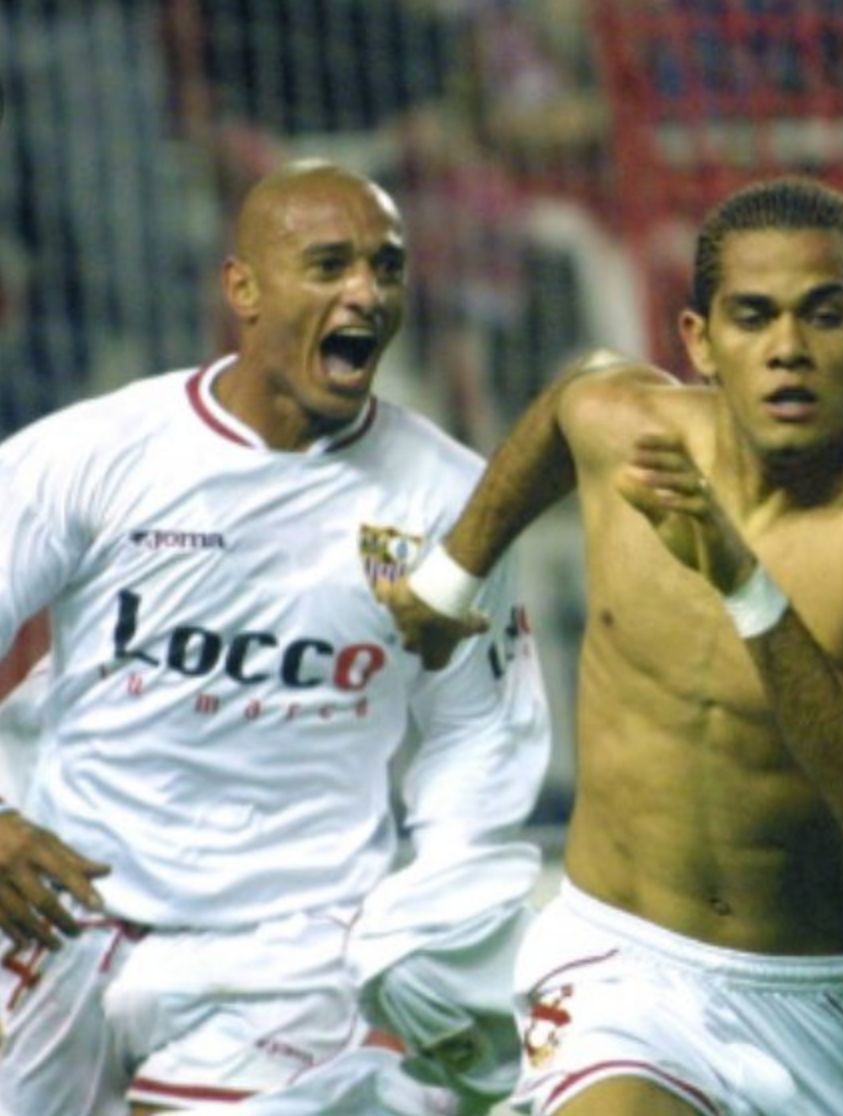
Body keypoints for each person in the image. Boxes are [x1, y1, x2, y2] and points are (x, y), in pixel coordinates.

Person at [381, 175, 843, 1115]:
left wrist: (745, 584)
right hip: (620, 964)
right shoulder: (630, 429)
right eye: (753, 318)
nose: (788, 351)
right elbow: (568, 404)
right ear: (701, 342)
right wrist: (451, 581)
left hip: (817, 1003)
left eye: (824, 317)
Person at [0, 160, 551, 1115]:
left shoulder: (450, 503)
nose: (366, 294)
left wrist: (437, 912)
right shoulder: (92, 455)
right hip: (61, 908)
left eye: (387, 268)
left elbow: (476, 729)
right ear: (242, 289)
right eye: (330, 265)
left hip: (290, 946)